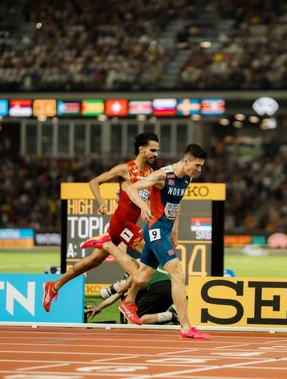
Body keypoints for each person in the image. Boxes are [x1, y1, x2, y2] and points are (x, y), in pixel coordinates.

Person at [83, 143, 210, 340]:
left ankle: (127, 300)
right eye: (197, 165)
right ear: (185, 161)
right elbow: (133, 188)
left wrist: (175, 230)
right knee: (177, 271)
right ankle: (186, 327)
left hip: (165, 230)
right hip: (155, 230)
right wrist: (143, 206)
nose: (199, 170)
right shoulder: (161, 176)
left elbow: (177, 203)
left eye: (201, 166)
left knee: (141, 277)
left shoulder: (188, 177)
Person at [42, 132, 160, 312]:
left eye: (157, 151)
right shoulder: (125, 169)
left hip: (125, 225)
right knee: (149, 255)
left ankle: (54, 286)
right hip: (121, 224)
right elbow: (94, 182)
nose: (156, 154)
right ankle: (129, 302)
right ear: (141, 149)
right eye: (153, 150)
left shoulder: (150, 173)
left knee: (93, 261)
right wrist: (102, 202)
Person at [85, 268, 179, 325]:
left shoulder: (133, 268)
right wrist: (98, 307)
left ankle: (171, 315)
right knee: (148, 319)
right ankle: (170, 315)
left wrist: (99, 307)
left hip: (157, 288)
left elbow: (118, 293)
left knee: (133, 320)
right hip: (171, 289)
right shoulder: (148, 262)